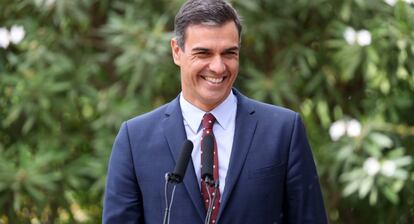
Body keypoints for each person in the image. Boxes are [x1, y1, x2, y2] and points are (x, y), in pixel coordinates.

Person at [103, 0, 328, 223]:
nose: (218, 67)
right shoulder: (135, 139)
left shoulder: (284, 131)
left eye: (229, 53)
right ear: (176, 51)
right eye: (204, 53)